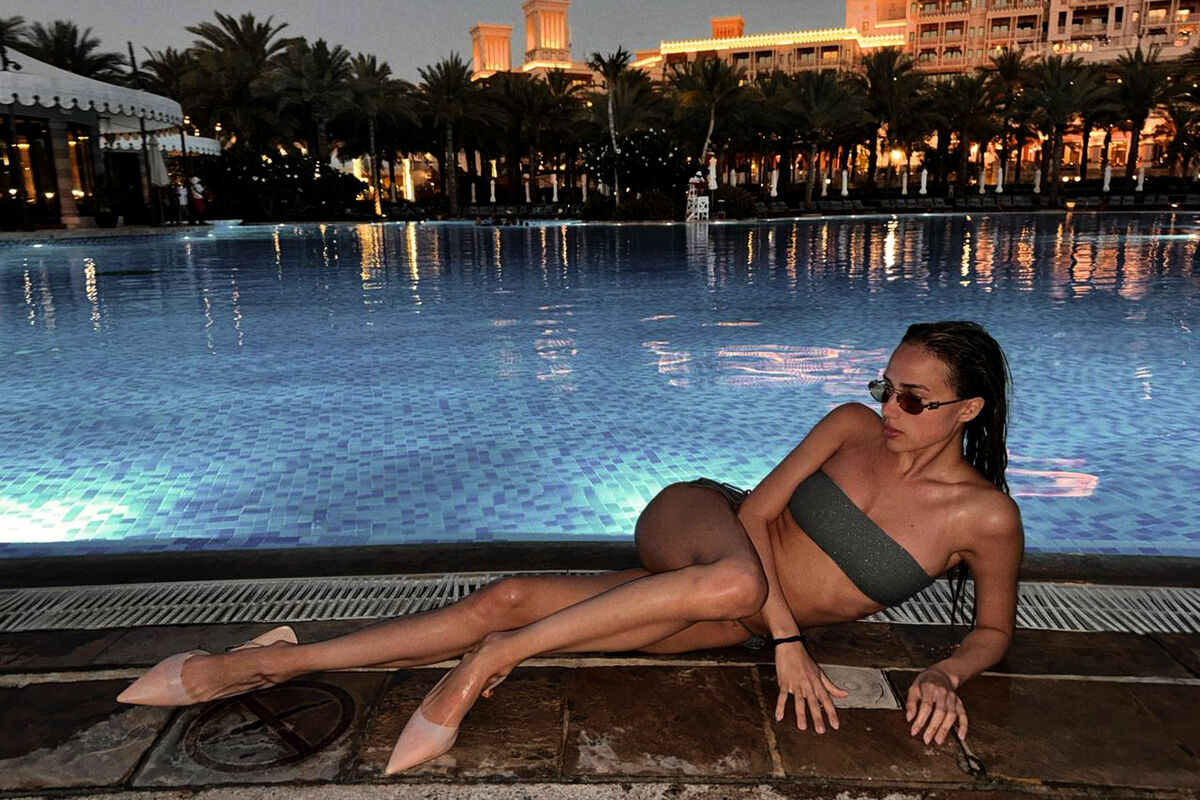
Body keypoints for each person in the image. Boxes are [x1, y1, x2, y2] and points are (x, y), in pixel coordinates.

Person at [118, 321, 1023, 775]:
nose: (888, 407)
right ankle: (488, 664)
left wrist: (947, 674)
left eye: (913, 399)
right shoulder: (850, 427)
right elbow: (752, 519)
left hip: (725, 614)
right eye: (885, 385)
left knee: (511, 597)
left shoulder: (984, 519)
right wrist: (789, 640)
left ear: (968, 410)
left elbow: (991, 632)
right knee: (731, 580)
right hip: (703, 524)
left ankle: (264, 662)